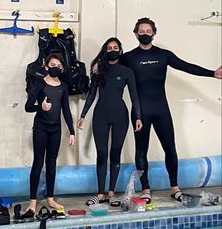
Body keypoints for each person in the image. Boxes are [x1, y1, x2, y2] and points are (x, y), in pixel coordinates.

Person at [121, 17, 222, 203]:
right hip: (139, 113)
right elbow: (109, 68)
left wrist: (212, 73)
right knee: (141, 150)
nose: (144, 34)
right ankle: (145, 189)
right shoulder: (128, 58)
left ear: (154, 33)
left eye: (148, 31)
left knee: (170, 149)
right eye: (141, 31)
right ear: (135, 34)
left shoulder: (163, 55)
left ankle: (174, 187)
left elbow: (186, 67)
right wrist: (96, 66)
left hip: (161, 110)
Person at [77, 37, 143, 207]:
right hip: (101, 115)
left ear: (120, 51)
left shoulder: (127, 71)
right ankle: (100, 193)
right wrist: (83, 115)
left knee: (115, 153)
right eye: (109, 47)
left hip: (120, 115)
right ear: (105, 51)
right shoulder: (99, 71)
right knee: (101, 154)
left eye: (115, 47)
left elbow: (135, 97)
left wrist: (138, 117)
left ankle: (112, 192)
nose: (112, 50)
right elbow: (91, 94)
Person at [24, 53, 75, 217]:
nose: (55, 68)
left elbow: (66, 110)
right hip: (40, 127)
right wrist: (41, 107)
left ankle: (50, 199)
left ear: (62, 68)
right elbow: (27, 106)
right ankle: (32, 201)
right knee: (38, 162)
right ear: (46, 66)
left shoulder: (64, 86)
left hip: (56, 129)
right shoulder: (39, 84)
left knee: (52, 162)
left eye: (58, 66)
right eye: (52, 64)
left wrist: (72, 131)